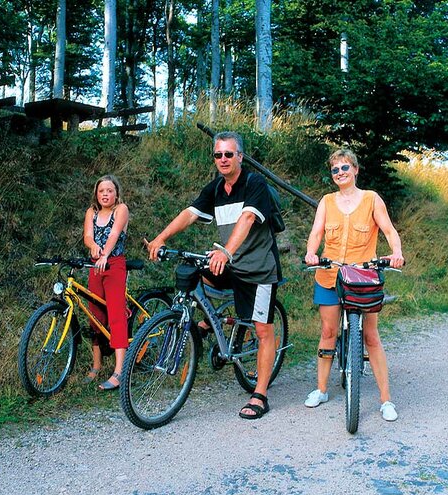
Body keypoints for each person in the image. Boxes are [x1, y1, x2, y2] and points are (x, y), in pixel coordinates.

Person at [146, 131, 282, 420]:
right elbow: (190, 213)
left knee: (262, 330)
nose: (222, 159)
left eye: (228, 154)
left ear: (240, 157)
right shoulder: (217, 187)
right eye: (218, 155)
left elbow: (247, 219)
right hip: (229, 263)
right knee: (199, 274)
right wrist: (161, 238)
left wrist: (227, 252)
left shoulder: (254, 183)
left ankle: (260, 394)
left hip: (258, 270)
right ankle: (210, 322)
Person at [303, 149, 405, 421]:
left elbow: (389, 231)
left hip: (362, 276)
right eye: (335, 170)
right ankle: (322, 388)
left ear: (356, 170)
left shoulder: (371, 199)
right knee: (328, 331)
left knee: (371, 336)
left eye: (345, 168)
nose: (340, 173)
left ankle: (386, 400)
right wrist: (311, 253)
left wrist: (396, 253)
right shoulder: (327, 201)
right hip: (330, 274)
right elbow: (316, 232)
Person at [83, 175, 131, 390]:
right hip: (95, 266)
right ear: (96, 193)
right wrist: (92, 246)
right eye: (101, 190)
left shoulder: (121, 209)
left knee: (116, 315)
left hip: (114, 264)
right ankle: (96, 365)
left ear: (116, 193)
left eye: (109, 190)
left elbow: (114, 234)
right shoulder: (91, 212)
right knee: (94, 314)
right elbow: (87, 235)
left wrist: (104, 256)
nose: (105, 194)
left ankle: (119, 371)